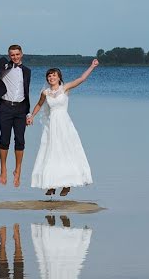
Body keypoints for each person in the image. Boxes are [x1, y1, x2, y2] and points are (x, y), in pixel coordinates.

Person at [27, 59, 98, 197]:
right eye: (49, 76)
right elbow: (39, 105)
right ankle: (51, 184)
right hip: (51, 125)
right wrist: (31, 116)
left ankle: (67, 184)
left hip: (64, 125)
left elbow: (81, 79)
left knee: (66, 153)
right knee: (51, 153)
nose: (51, 77)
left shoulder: (65, 88)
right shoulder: (45, 92)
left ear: (59, 77)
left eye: (53, 75)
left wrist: (92, 66)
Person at [0, 26, 32, 187]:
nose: (15, 57)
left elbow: (26, 91)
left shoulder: (27, 71)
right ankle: (3, 169)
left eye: (17, 54)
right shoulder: (3, 66)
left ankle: (18, 170)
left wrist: (28, 113)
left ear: (21, 55)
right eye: (12, 55)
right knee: (4, 139)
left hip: (21, 109)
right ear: (9, 56)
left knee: (20, 140)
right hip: (5, 108)